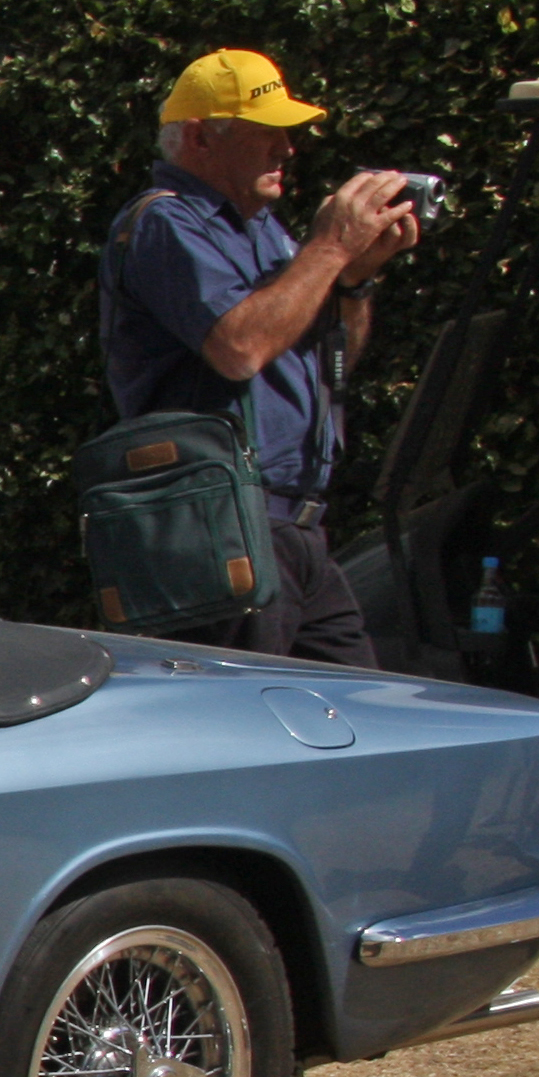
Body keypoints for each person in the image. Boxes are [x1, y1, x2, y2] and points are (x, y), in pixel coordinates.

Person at [100, 49, 419, 666]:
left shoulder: (264, 229)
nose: (287, 150)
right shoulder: (165, 223)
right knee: (235, 726)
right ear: (200, 138)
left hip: (290, 529)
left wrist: (353, 281)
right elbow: (241, 349)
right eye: (267, 133)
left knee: (358, 714)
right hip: (219, 526)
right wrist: (328, 250)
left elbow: (329, 365)